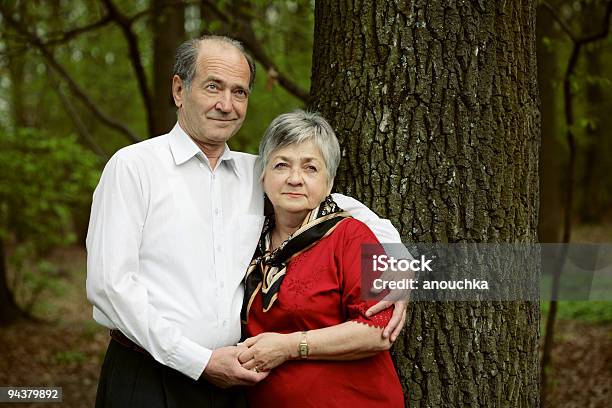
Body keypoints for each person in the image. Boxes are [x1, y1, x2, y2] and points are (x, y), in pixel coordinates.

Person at [86, 35, 406, 408]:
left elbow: (348, 211)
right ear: (179, 90)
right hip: (150, 374)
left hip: (233, 383)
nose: (226, 104)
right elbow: (110, 286)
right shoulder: (134, 167)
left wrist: (397, 269)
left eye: (239, 92)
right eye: (213, 87)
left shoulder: (255, 171)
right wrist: (199, 361)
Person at [238, 110, 404, 407]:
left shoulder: (351, 235)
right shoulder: (247, 242)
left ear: (329, 183)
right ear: (262, 177)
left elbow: (379, 330)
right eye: (281, 165)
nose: (294, 178)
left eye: (310, 168)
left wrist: (290, 347)